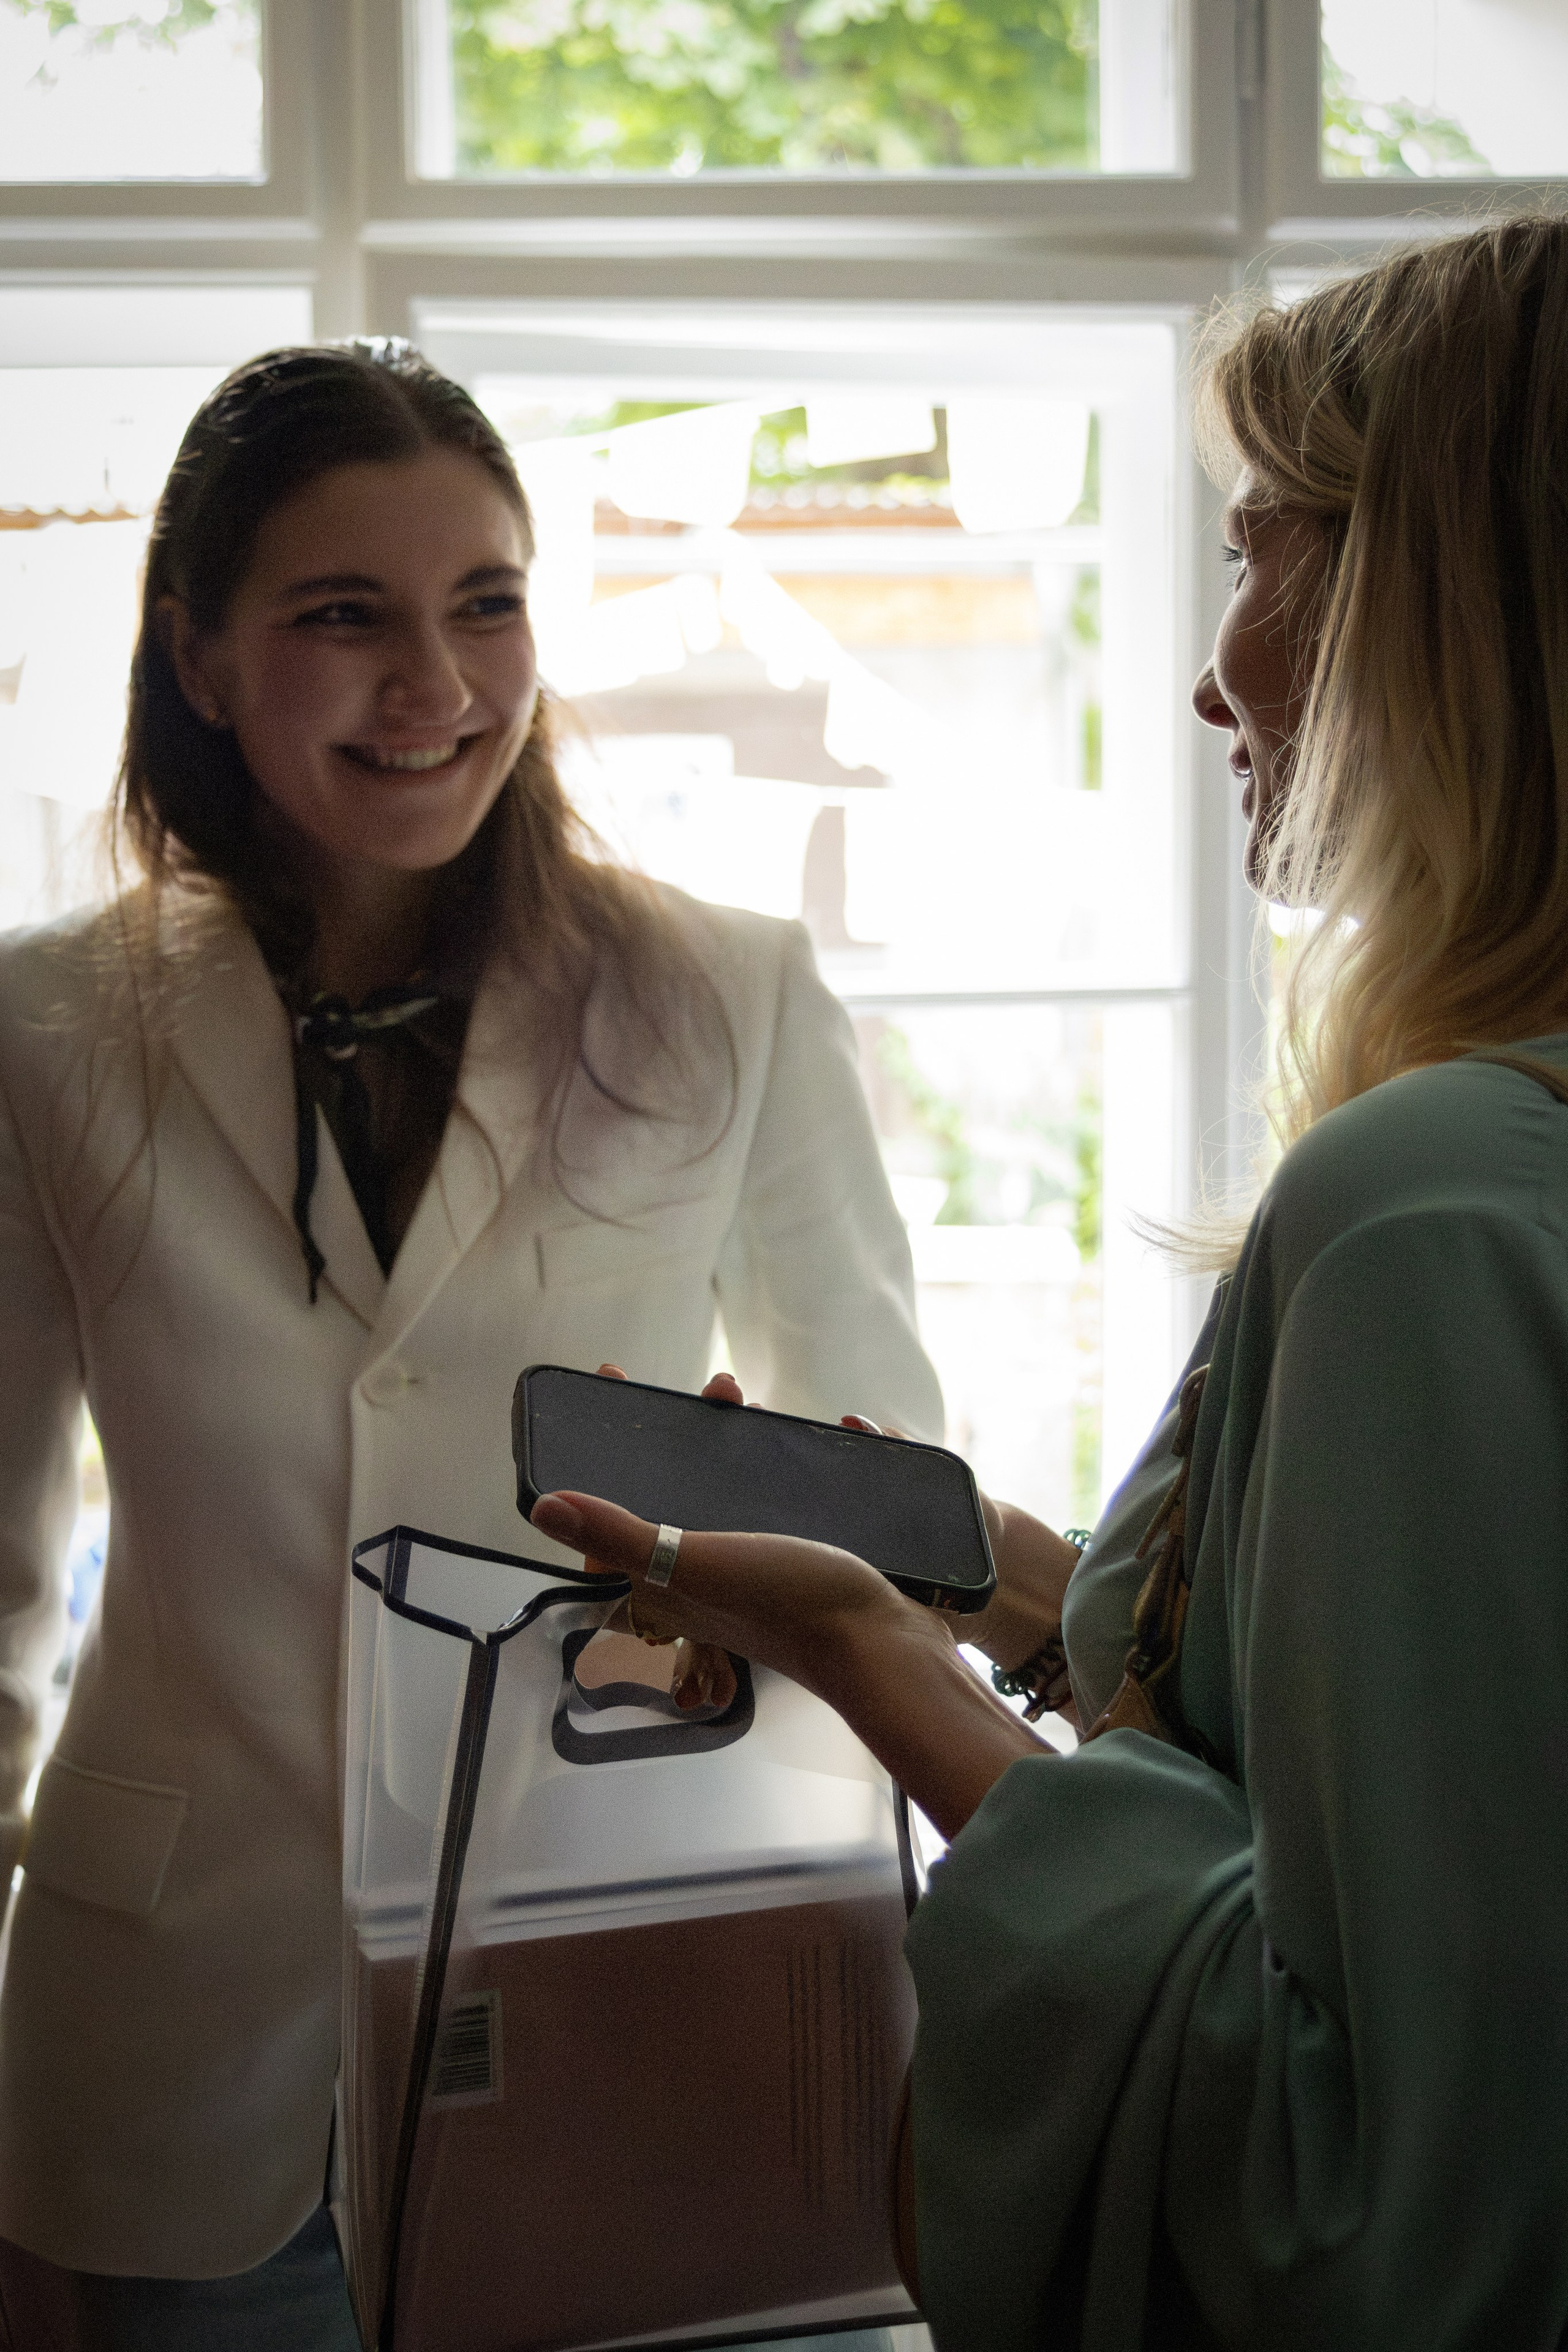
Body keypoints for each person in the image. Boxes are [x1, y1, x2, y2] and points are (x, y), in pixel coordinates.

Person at [530, 213, 1568, 2350]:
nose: (1210, 669)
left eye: (1263, 552)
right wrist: (1010, 1584)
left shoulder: (1422, 1205)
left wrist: (861, 1652)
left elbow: (1387, 2197)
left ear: (1444, 604)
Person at [0, 341, 944, 2348]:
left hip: (630, 2000)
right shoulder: (42, 1029)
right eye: (344, 616)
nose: (434, 687)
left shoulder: (731, 993)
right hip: (169, 2049)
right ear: (200, 654)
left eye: (486, 604)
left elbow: (890, 1534)